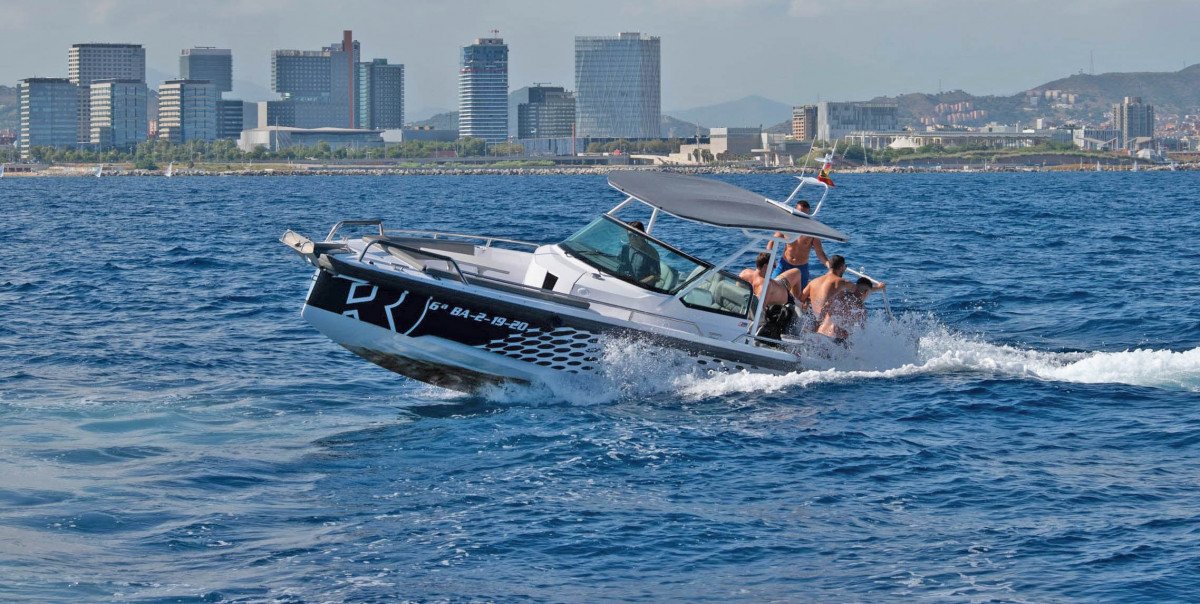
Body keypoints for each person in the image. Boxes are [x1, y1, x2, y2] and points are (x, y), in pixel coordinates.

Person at [739, 252, 805, 339]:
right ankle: (798, 299)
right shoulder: (764, 286)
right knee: (801, 308)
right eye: (774, 266)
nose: (775, 268)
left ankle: (798, 297)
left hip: (779, 283)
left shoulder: (745, 273)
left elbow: (738, 290)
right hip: (788, 300)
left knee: (797, 272)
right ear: (766, 266)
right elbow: (760, 311)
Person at [769, 200, 830, 293]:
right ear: (795, 212)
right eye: (799, 213)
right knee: (770, 286)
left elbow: (819, 252)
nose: (801, 216)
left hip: (801, 268)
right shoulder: (787, 227)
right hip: (784, 265)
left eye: (804, 215)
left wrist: (828, 264)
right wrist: (770, 258)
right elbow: (772, 242)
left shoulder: (812, 232)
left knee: (800, 297)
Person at [815, 276, 885, 343]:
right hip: (836, 340)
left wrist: (878, 287)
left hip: (820, 334)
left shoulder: (840, 294)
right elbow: (862, 332)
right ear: (866, 292)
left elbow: (824, 308)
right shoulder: (861, 309)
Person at [623, 220, 660, 287]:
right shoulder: (626, 248)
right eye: (630, 235)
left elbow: (656, 276)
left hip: (641, 287)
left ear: (642, 235)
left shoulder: (651, 253)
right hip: (624, 282)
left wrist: (638, 283)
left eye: (635, 235)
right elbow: (621, 264)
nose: (632, 238)